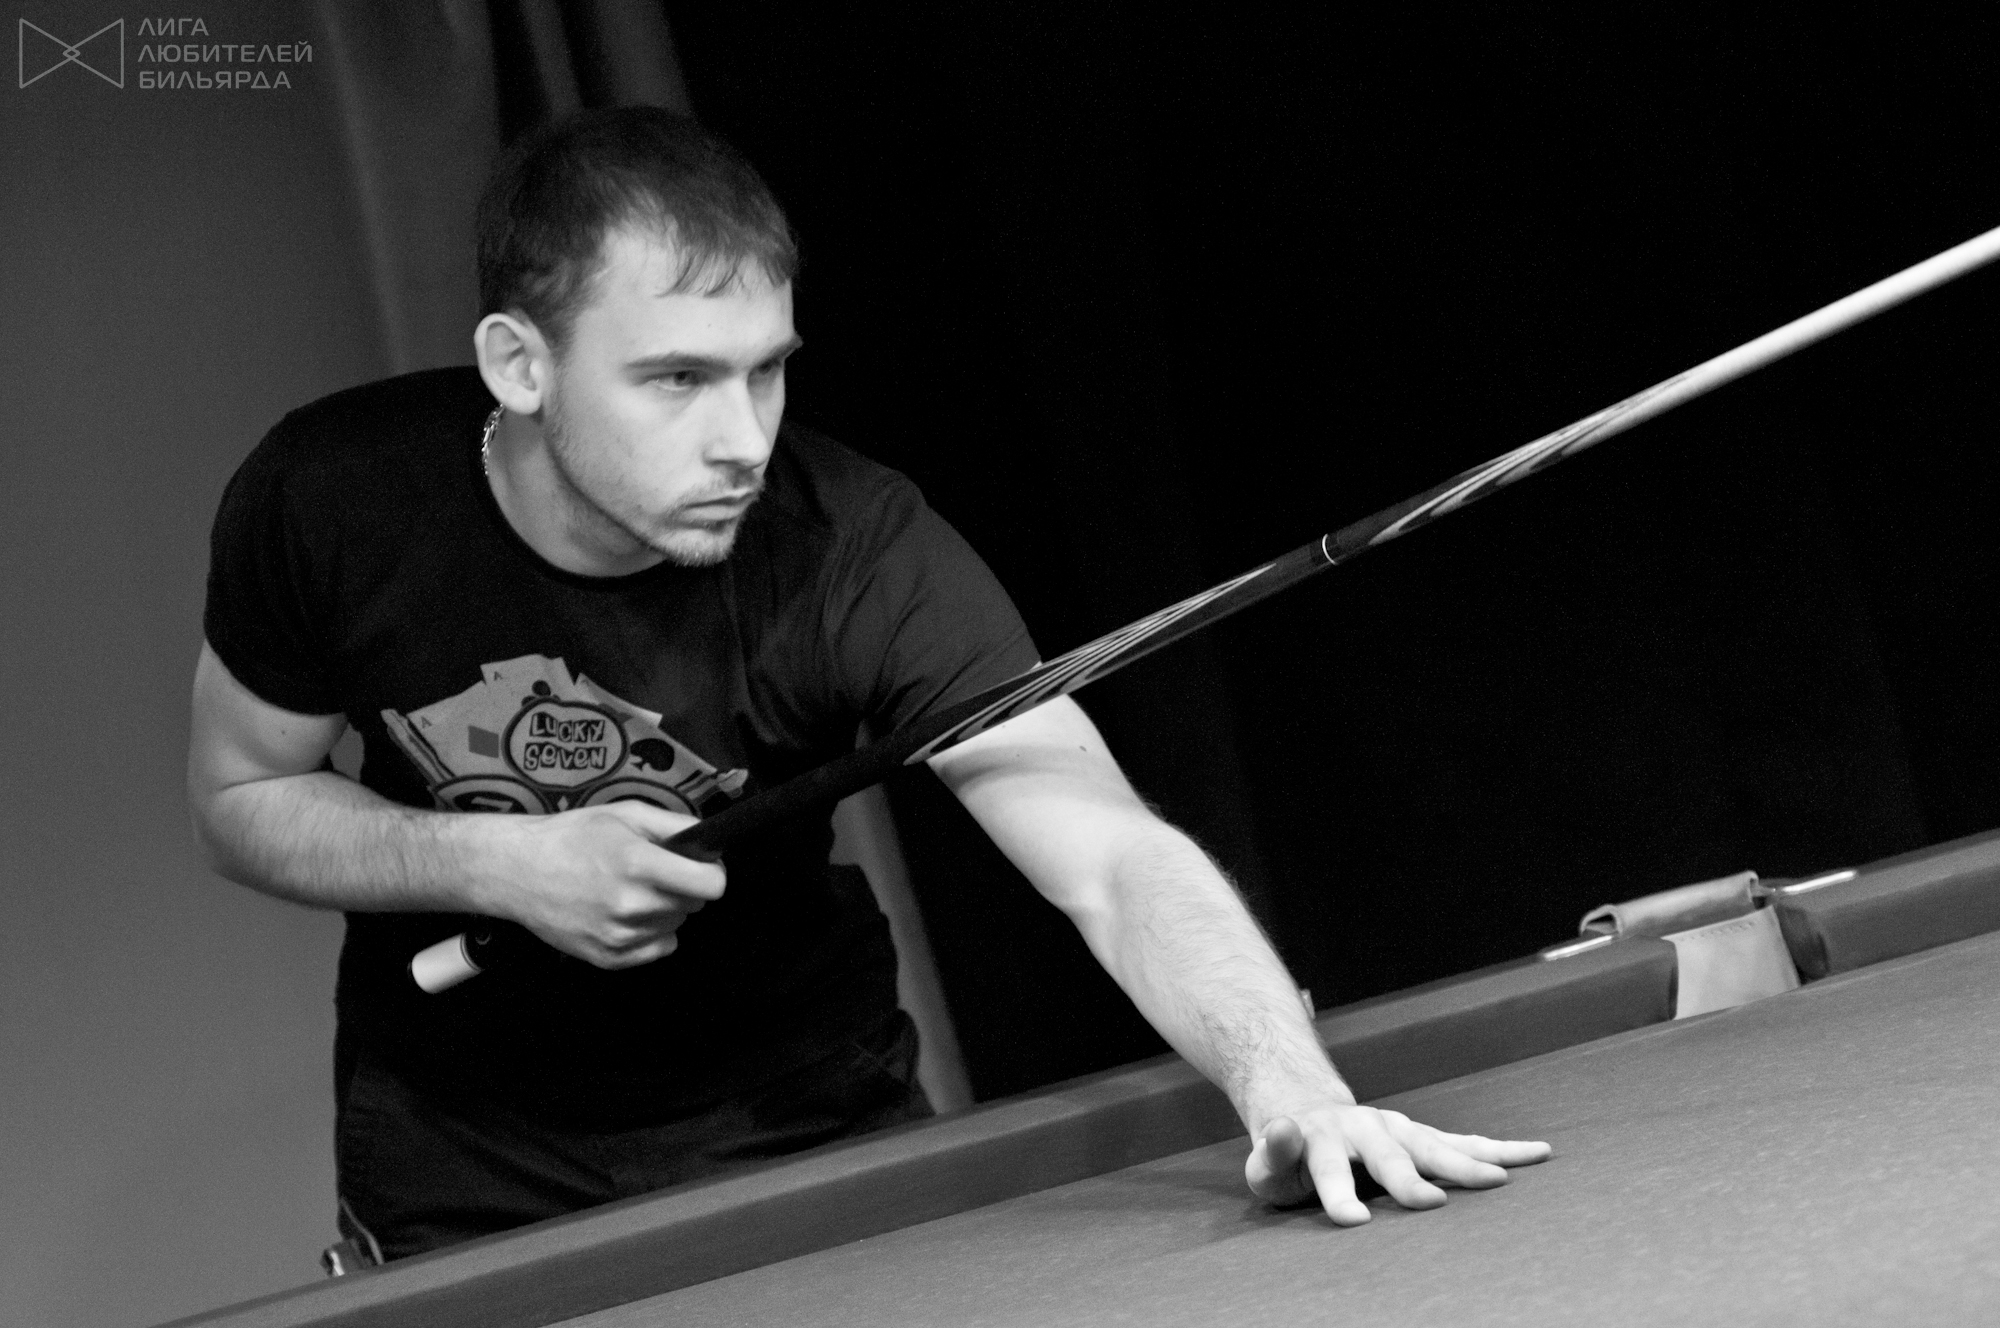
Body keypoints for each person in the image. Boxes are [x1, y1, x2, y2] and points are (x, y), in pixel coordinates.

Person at [186, 106, 1547, 1262]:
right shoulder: (332, 502)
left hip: (805, 1122)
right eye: (676, 379)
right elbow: (241, 799)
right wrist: (502, 866)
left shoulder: (855, 547)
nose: (742, 438)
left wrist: (1290, 1087)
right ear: (519, 365)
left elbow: (1106, 849)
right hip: (460, 1162)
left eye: (767, 371)